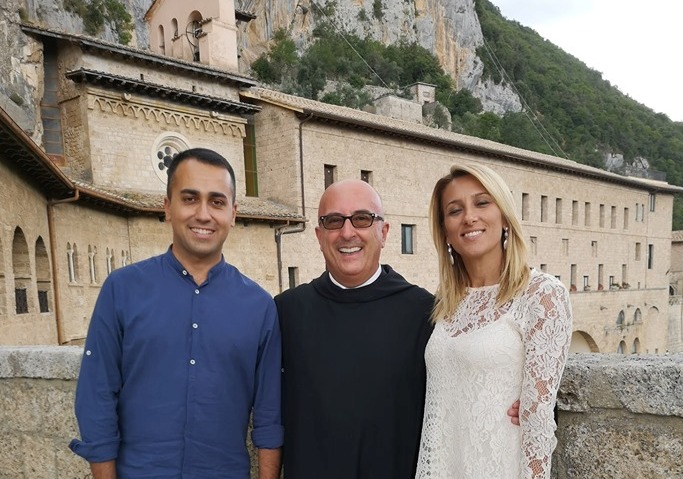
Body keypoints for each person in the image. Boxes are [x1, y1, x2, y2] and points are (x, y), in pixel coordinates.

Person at [275, 179, 519, 479]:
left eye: (362, 219)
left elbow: (468, 377)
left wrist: (524, 402)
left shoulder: (426, 313)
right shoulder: (285, 312)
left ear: (384, 232)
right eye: (334, 221)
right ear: (319, 235)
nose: (347, 232)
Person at [69, 148, 282, 479]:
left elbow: (269, 416)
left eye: (217, 201)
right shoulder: (122, 290)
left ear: (233, 213)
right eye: (189, 198)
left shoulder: (259, 306)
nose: (203, 214)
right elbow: (96, 397)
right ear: (168, 207)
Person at [415, 163, 573, 479]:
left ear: (504, 217)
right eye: (454, 210)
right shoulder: (446, 301)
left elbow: (537, 418)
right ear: (445, 230)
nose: (469, 217)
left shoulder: (541, 294)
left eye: (482, 202)